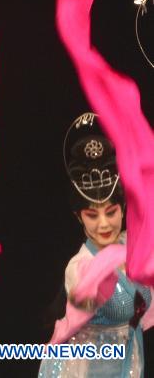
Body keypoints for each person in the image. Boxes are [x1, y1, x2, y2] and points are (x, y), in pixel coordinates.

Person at [39, 113, 151, 378]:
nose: (103, 224)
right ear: (79, 217)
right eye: (92, 215)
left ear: (123, 209)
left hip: (130, 363)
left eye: (111, 212)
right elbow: (85, 293)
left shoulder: (135, 246)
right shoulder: (80, 268)